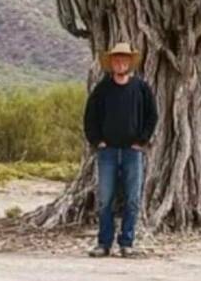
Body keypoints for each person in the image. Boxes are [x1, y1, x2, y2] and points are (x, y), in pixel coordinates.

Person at [83, 40, 158, 257]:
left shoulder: (141, 88)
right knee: (105, 199)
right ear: (111, 63)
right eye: (116, 60)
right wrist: (97, 141)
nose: (120, 63)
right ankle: (104, 243)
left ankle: (127, 242)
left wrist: (142, 140)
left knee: (132, 199)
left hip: (132, 152)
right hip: (107, 152)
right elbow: (90, 117)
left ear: (129, 63)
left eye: (124, 60)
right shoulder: (102, 89)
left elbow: (152, 116)